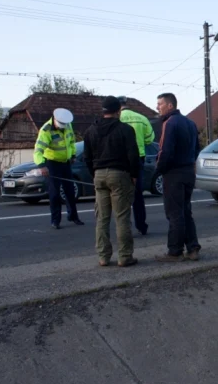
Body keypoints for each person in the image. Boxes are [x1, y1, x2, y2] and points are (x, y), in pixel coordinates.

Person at [83, 96, 141, 267]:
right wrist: (134, 174)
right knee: (122, 217)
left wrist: (94, 173)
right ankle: (124, 257)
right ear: (118, 111)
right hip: (119, 174)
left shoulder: (90, 131)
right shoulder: (125, 129)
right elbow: (133, 155)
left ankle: (103, 257)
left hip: (99, 175)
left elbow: (87, 157)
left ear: (103, 111)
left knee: (102, 218)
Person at [154, 93, 202, 263]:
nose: (157, 107)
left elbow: (165, 151)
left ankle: (174, 251)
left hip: (174, 173)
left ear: (170, 106)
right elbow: (197, 148)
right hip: (188, 171)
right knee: (185, 211)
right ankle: (193, 247)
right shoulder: (190, 123)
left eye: (160, 104)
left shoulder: (170, 123)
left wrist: (159, 169)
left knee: (174, 213)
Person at [34, 108, 84, 229]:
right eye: (60, 125)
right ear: (54, 120)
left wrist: (72, 155)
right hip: (52, 163)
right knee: (55, 193)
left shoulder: (68, 125)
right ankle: (55, 220)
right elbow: (38, 150)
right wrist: (42, 165)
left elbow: (71, 141)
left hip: (66, 163)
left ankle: (73, 216)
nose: (63, 127)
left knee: (70, 191)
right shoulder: (46, 130)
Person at [118, 96, 155, 235]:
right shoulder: (141, 118)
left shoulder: (116, 118)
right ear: (127, 104)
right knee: (137, 194)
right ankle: (141, 225)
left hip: (120, 159)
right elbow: (150, 138)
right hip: (138, 158)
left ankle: (124, 227)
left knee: (121, 195)